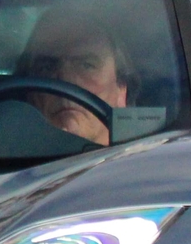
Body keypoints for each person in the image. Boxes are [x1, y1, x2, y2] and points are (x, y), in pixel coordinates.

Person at [20, 12, 129, 147]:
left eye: (87, 65)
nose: (66, 80)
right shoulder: (4, 163)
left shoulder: (145, 162)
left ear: (121, 90)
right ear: (29, 95)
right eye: (46, 68)